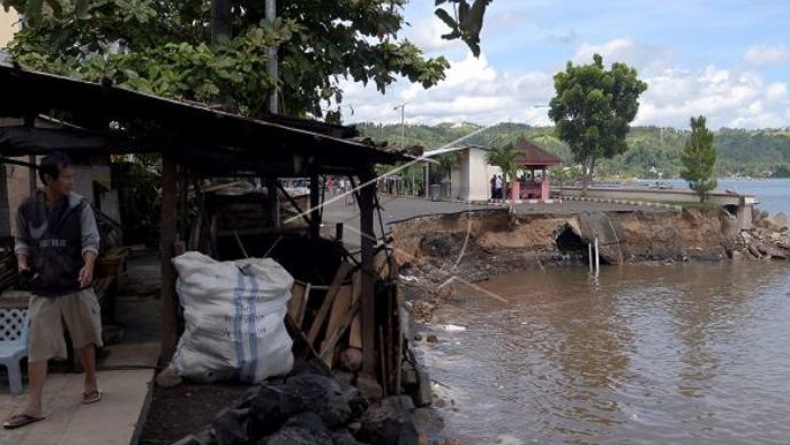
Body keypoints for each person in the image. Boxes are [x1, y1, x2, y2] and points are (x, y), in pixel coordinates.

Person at [4, 152, 103, 430]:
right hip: (43, 284)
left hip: (75, 282)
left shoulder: (79, 206)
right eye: (67, 176)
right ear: (49, 179)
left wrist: (89, 265)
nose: (72, 181)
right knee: (38, 344)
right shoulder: (27, 209)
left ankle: (90, 381)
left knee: (83, 335)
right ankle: (34, 406)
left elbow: (90, 239)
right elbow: (21, 242)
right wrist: (23, 263)